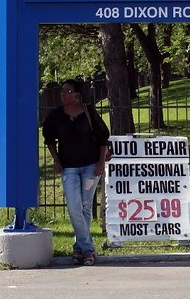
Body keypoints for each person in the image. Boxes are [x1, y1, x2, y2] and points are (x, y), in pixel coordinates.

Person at [42, 78, 111, 265]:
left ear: (77, 95)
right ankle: (88, 248)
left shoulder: (88, 112)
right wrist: (56, 160)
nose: (63, 94)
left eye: (68, 91)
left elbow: (103, 137)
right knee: (74, 208)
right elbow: (49, 139)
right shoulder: (56, 116)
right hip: (69, 167)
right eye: (62, 91)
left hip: (90, 166)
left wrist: (100, 162)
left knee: (85, 207)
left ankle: (79, 249)